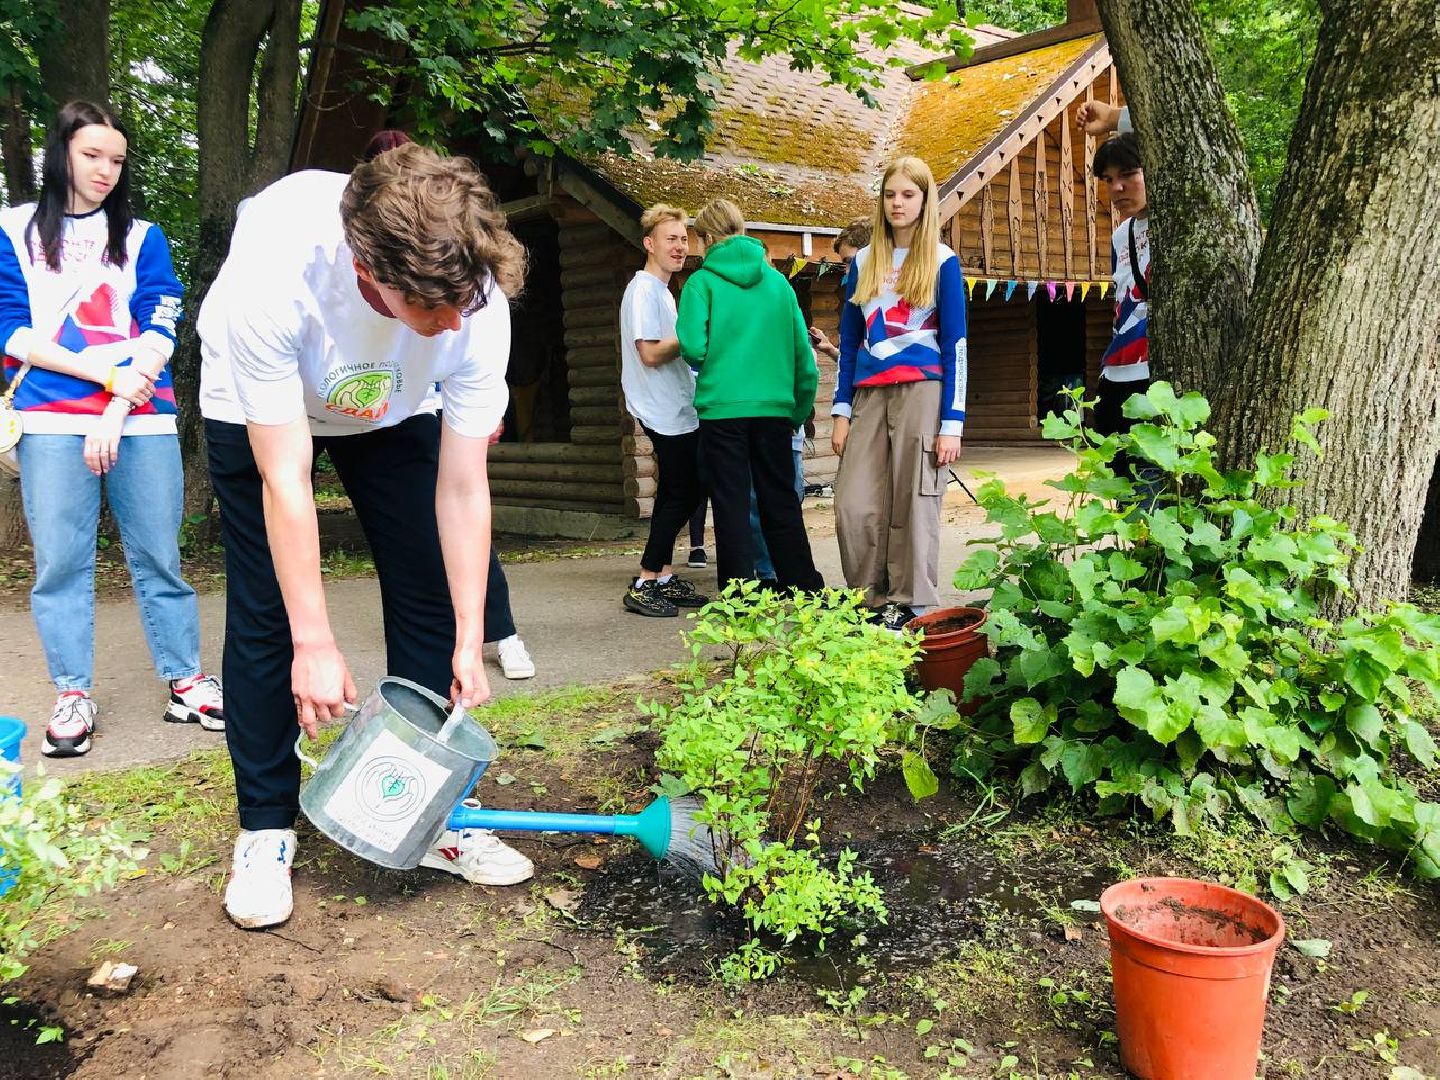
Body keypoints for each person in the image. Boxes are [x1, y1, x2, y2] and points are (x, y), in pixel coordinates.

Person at [198, 138, 535, 929]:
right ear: (367, 274)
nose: (457, 324)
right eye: (434, 313)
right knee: (268, 615)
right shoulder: (278, 273)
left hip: (396, 407)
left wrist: (468, 633)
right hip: (257, 397)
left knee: (423, 587)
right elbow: (286, 481)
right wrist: (315, 642)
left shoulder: (473, 299)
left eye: (467, 304)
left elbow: (462, 484)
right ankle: (266, 827)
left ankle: (428, 813)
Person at [0, 100, 222, 759]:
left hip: (142, 416)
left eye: (117, 160)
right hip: (48, 415)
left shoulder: (143, 235)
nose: (106, 170)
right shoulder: (12, 229)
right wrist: (102, 380)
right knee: (61, 562)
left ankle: (186, 681)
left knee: (158, 553)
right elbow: (10, 330)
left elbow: (162, 320)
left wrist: (120, 403)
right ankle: (72, 692)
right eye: (93, 154)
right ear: (60, 151)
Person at [830, 157, 967, 632]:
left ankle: (910, 604)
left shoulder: (942, 261)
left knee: (915, 496)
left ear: (925, 200)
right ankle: (869, 598)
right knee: (854, 501)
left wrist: (953, 421)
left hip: (924, 392)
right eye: (891, 194)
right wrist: (840, 410)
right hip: (869, 393)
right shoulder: (865, 261)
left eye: (908, 194)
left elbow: (957, 345)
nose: (897, 203)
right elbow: (849, 340)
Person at [677, 199, 824, 594]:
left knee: (731, 503)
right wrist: (797, 409)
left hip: (722, 409)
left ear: (706, 238)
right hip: (774, 409)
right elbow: (802, 357)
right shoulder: (778, 283)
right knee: (781, 498)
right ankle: (804, 586)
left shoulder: (701, 283)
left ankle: (738, 594)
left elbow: (691, 345)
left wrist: (719, 360)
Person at [618, 204, 710, 617]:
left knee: (683, 490)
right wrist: (692, 334)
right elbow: (650, 354)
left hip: (678, 407)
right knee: (683, 491)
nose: (679, 246)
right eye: (670, 239)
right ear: (649, 244)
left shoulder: (663, 292)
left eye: (683, 239)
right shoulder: (642, 291)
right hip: (661, 409)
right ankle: (644, 580)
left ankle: (664, 577)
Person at [1087, 131, 1151, 469]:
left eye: (1128, 175)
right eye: (1109, 179)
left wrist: (1113, 119)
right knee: (1123, 492)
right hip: (1115, 379)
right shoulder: (1119, 235)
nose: (1117, 188)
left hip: (1151, 379)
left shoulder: (1179, 222)